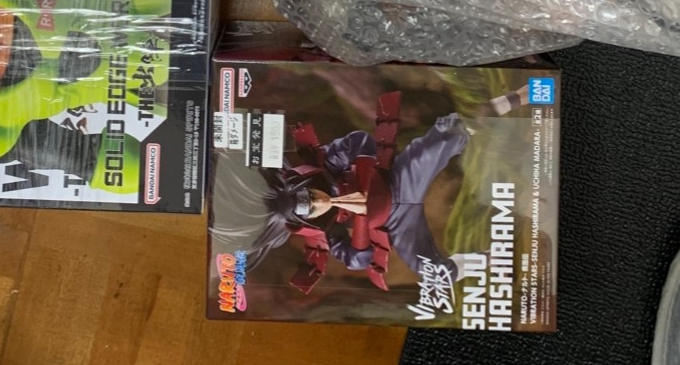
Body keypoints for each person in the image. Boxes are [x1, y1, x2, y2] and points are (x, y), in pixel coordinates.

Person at [211, 85, 529, 295]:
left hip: (400, 180)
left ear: (301, 185)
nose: (319, 202)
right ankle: (491, 259)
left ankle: (516, 98)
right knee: (433, 273)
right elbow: (355, 260)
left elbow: (359, 141)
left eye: (309, 197)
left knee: (451, 131)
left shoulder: (327, 168)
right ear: (303, 221)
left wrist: (360, 168)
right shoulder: (326, 231)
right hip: (397, 222)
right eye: (310, 210)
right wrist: (361, 233)